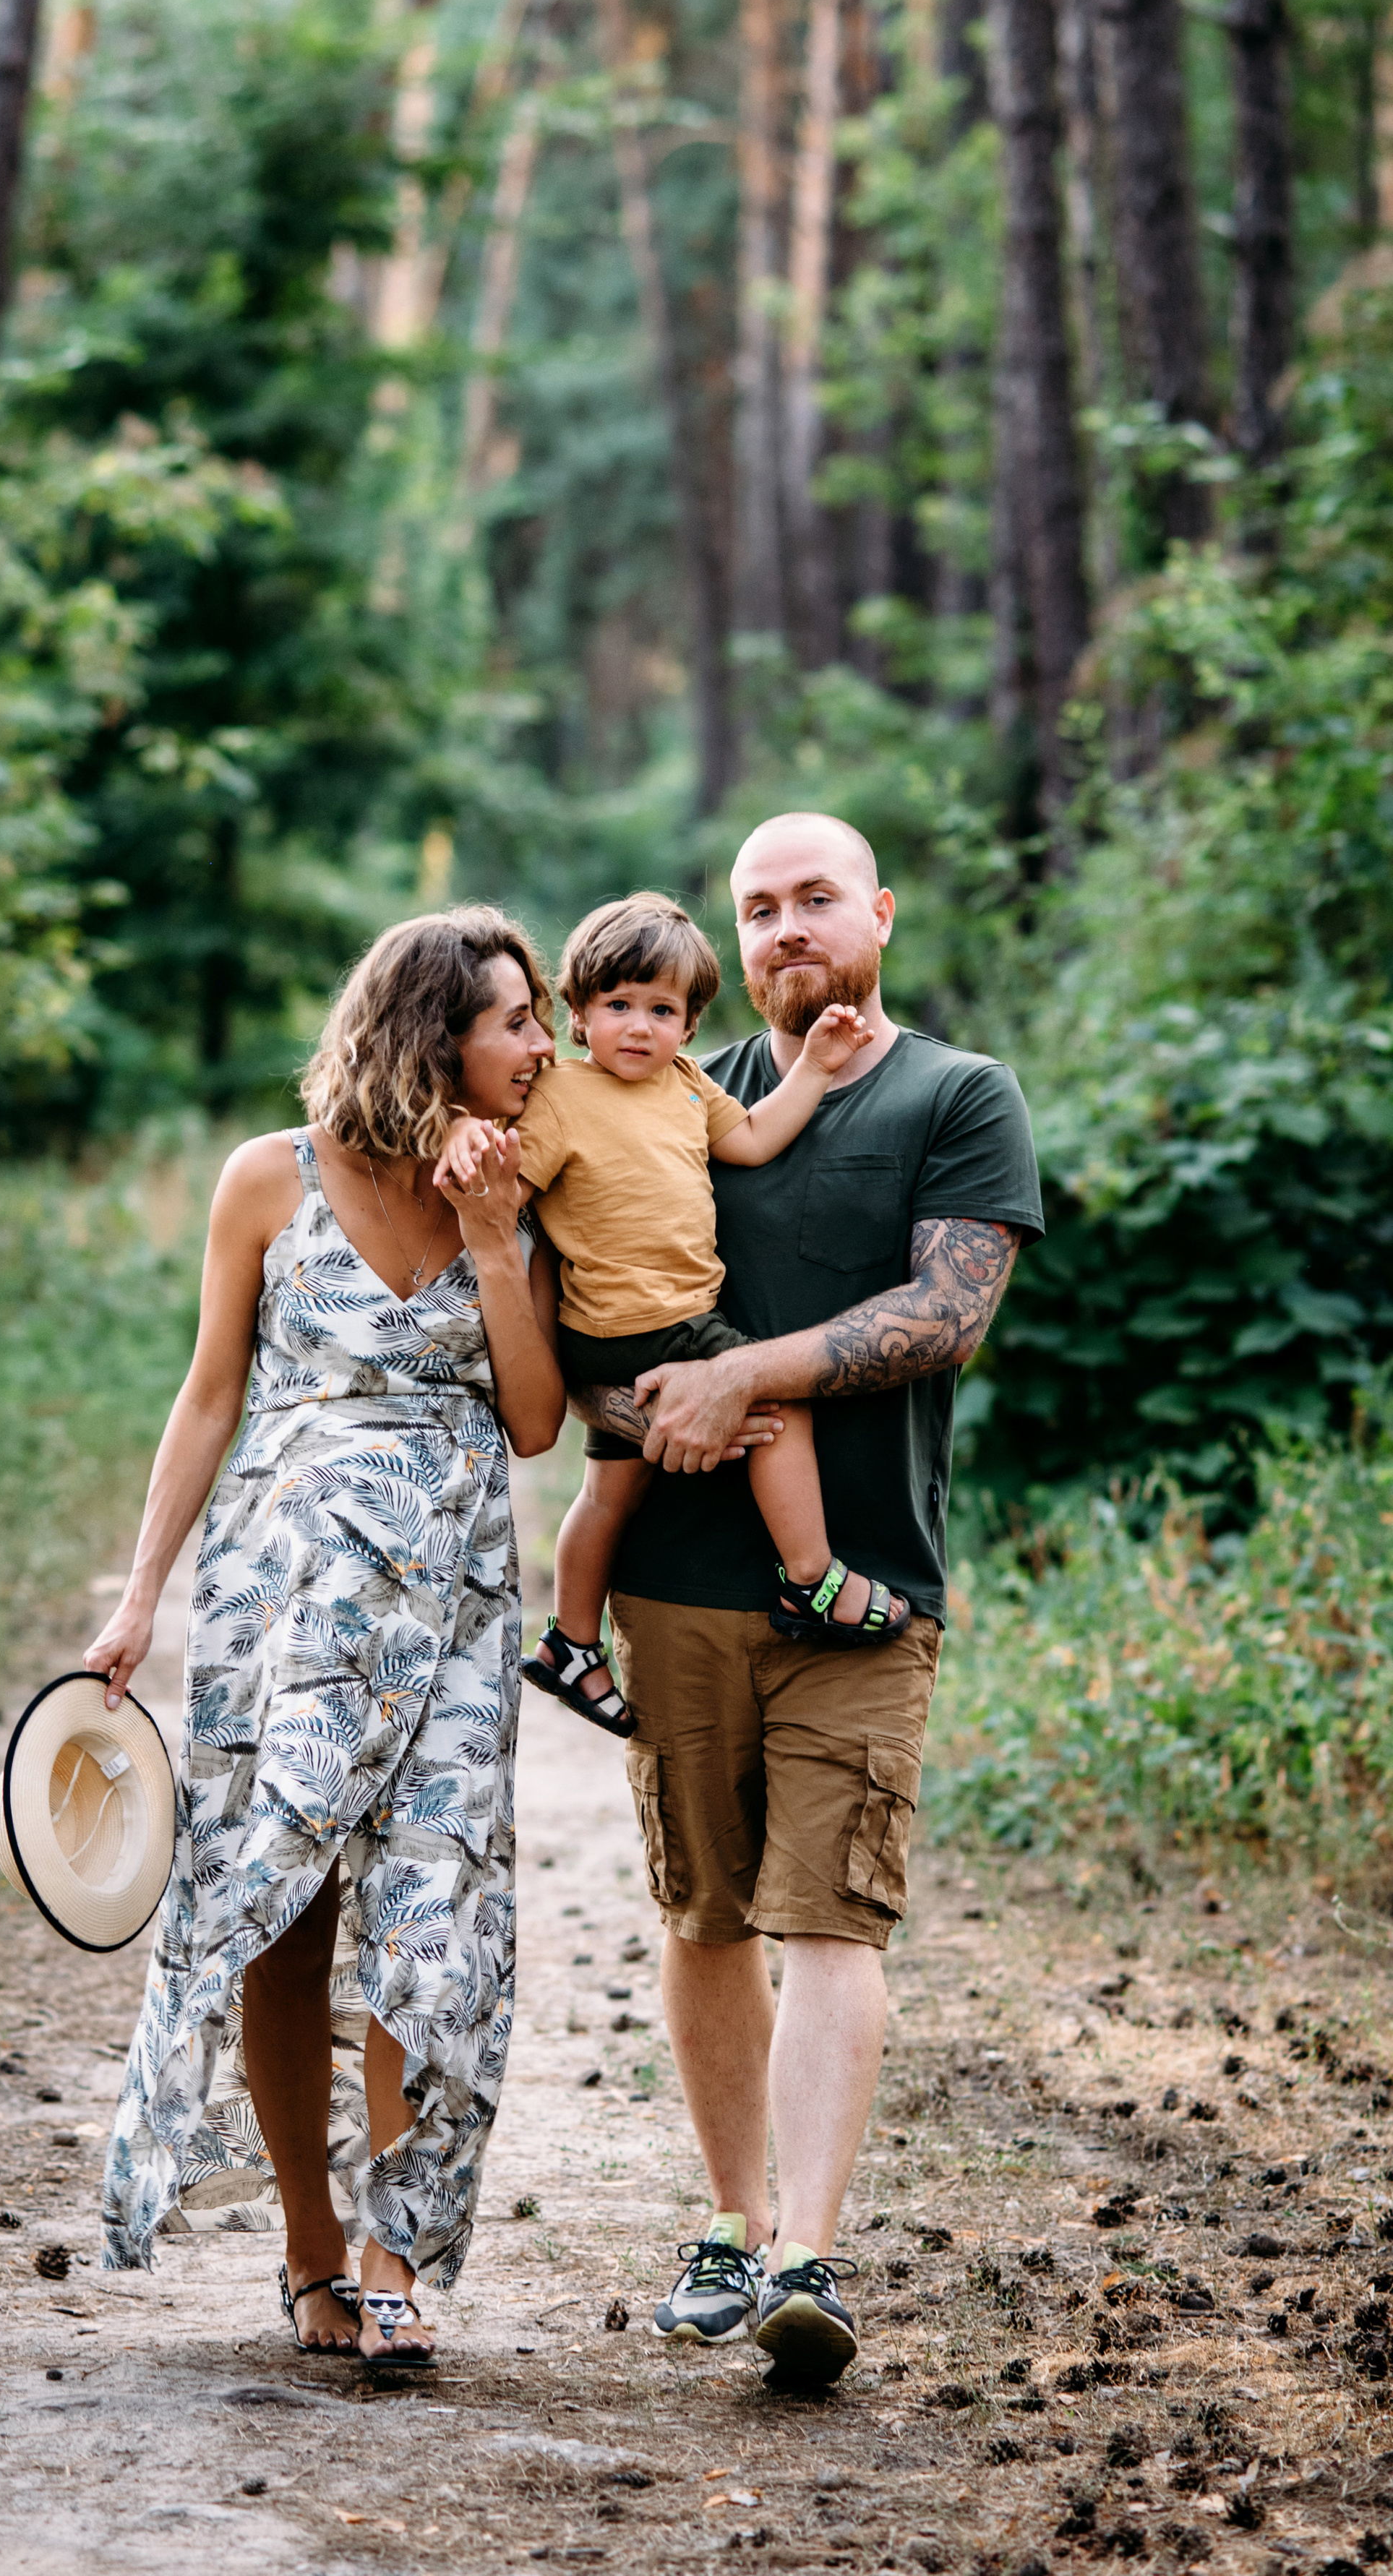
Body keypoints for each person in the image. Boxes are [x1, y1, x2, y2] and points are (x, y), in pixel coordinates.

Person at [80, 909, 565, 2366]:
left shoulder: (530, 1197)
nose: (539, 1045)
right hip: (278, 1607)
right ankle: (307, 2253)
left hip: (453, 1616)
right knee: (281, 1927)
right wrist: (139, 1589)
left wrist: (489, 1242)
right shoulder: (265, 1182)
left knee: (432, 1921)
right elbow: (208, 1396)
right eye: (512, 1021)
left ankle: (392, 2255)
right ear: (435, 1039)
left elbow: (536, 1422)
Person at [596, 813, 1044, 2389]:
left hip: (864, 1590)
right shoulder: (674, 1089)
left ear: (879, 915)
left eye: (814, 900)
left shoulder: (954, 1095)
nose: (786, 929)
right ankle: (726, 2223)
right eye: (757, 907)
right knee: (705, 1909)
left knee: (829, 1913)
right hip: (673, 1578)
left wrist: (742, 1378)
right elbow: (599, 1289)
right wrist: (646, 1401)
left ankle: (805, 2254)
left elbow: (941, 1315)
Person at [440, 891, 912, 1746]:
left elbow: (757, 1140)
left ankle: (570, 1641)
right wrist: (463, 1142)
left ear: (690, 1027)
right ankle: (809, 1575)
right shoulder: (557, 1094)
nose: (637, 1027)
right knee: (774, 1404)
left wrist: (813, 1064)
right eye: (616, 1005)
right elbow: (512, 1188)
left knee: (608, 1491)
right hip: (642, 1321)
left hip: (649, 1324)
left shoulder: (689, 1090)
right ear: (575, 1013)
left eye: (661, 1010)